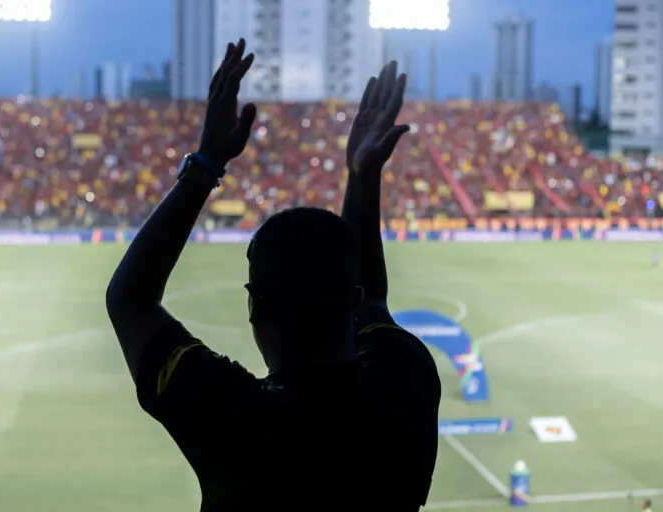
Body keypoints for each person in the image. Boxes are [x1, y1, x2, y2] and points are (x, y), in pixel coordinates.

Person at [106, 39, 441, 512]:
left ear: (254, 304)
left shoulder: (235, 421)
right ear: (351, 301)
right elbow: (375, 300)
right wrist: (363, 176)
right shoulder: (406, 379)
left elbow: (130, 300)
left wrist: (205, 165)